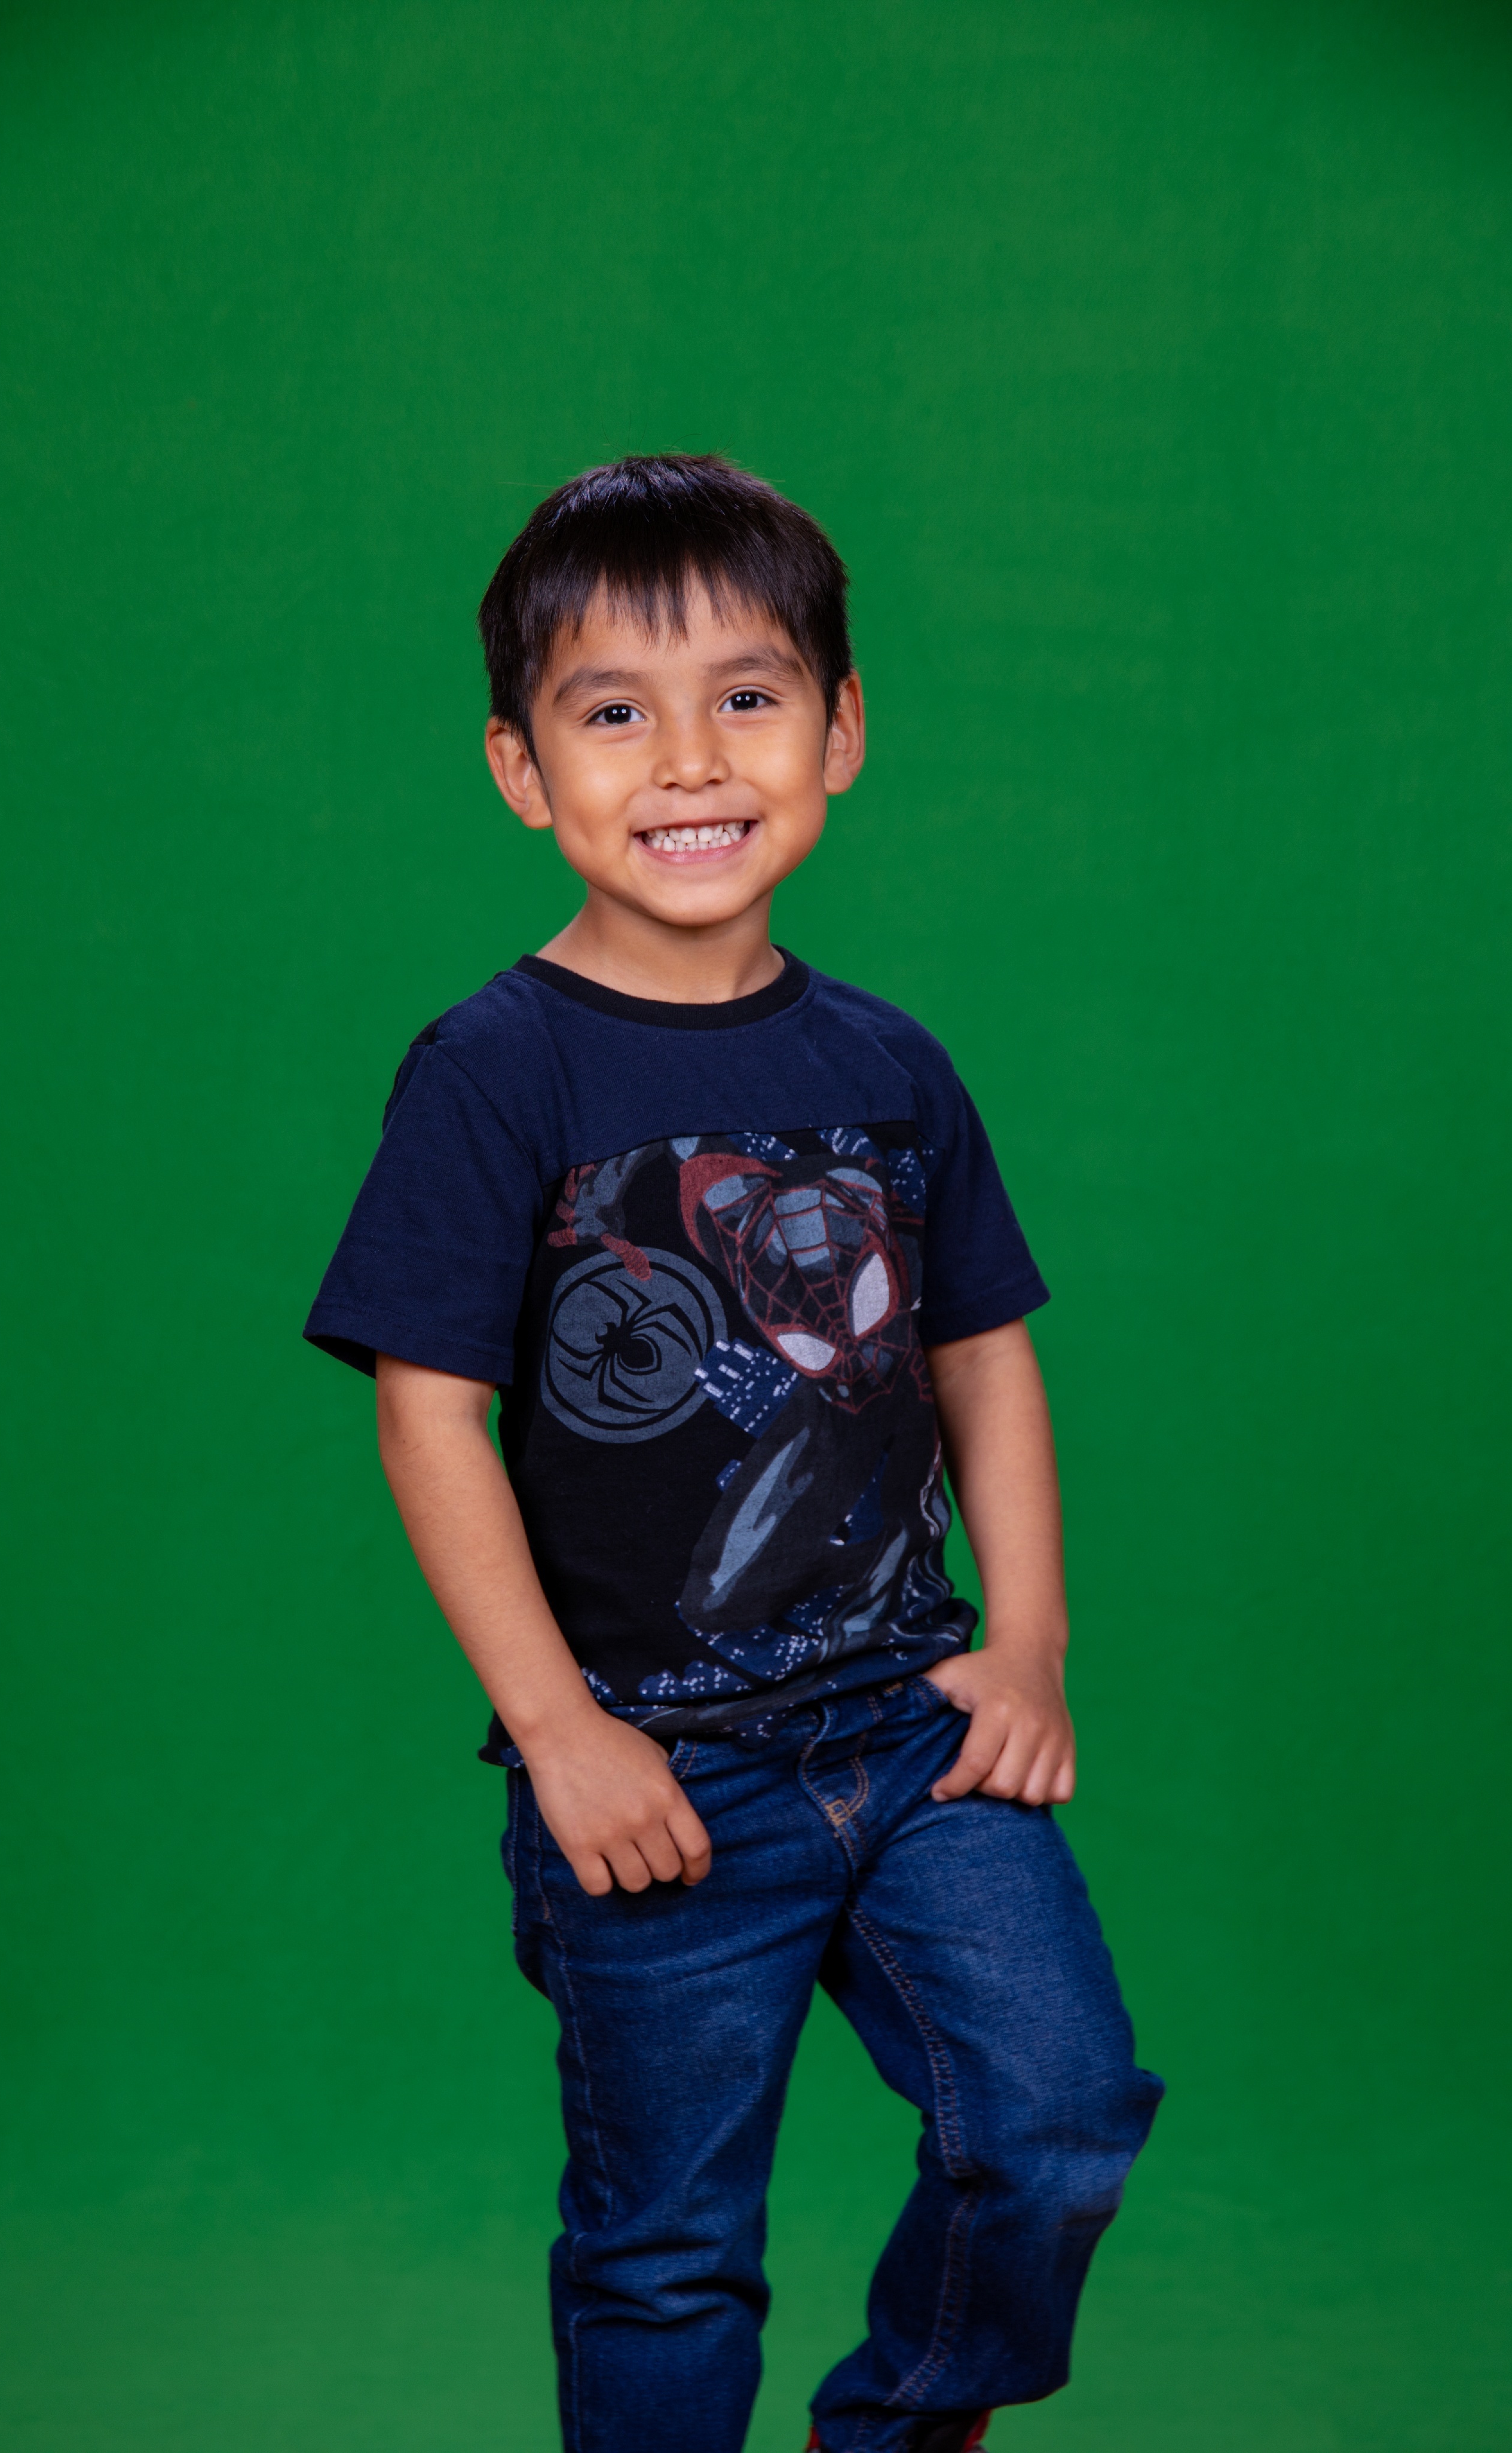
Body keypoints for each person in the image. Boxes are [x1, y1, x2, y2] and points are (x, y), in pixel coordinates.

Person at [305, 454, 1162, 2453]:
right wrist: (563, 1734)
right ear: (522, 769)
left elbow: (984, 1359)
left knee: (1056, 2122)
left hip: (912, 1733)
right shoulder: (498, 1068)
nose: (689, 760)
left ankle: (903, 2430)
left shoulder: (889, 1067)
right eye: (615, 711)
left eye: (749, 698)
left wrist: (1028, 1642)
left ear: (840, 732)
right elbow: (427, 1412)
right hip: (660, 1783)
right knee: (669, 2248)